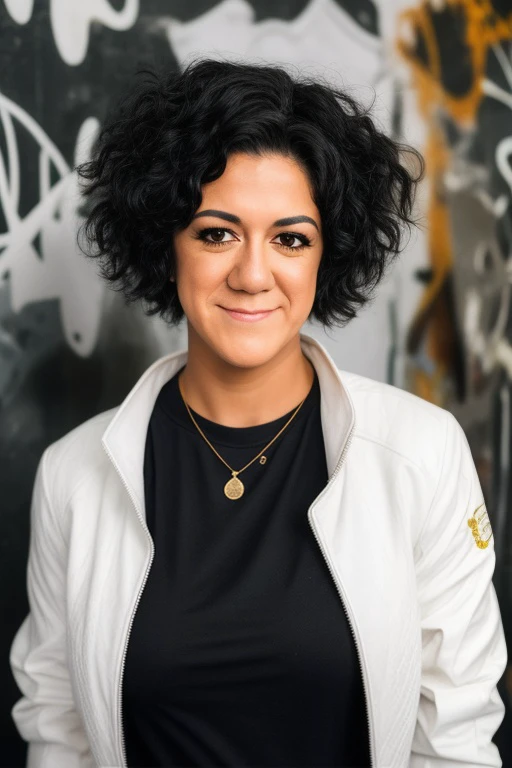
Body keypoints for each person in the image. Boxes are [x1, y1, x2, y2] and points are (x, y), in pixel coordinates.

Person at [9, 57, 507, 768]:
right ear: (166, 244)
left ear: (323, 257)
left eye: (290, 238)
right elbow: (58, 732)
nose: (251, 273)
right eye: (217, 233)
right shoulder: (73, 477)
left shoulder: (421, 454)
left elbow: (455, 737)